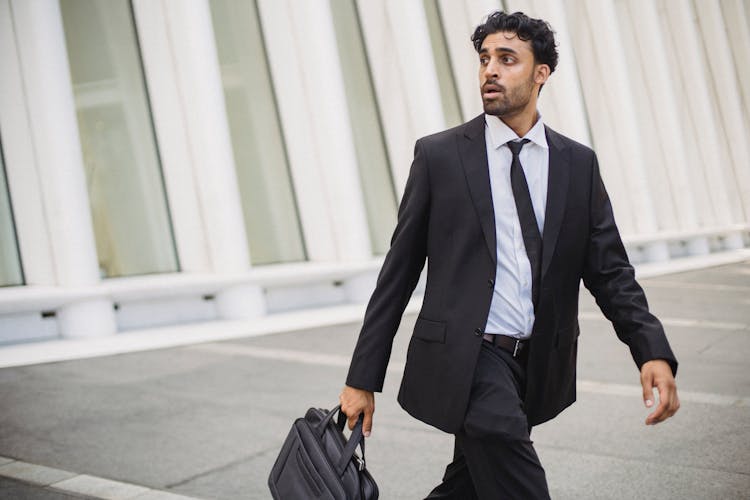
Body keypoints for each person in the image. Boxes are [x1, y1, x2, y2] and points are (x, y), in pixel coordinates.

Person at [340, 10, 680, 499]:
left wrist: (651, 350)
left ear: (541, 73)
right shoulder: (440, 156)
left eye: (507, 59)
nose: (490, 71)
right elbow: (398, 272)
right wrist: (361, 378)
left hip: (535, 362)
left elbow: (610, 271)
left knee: (470, 487)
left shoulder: (576, 165)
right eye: (484, 60)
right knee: (519, 481)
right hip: (465, 357)